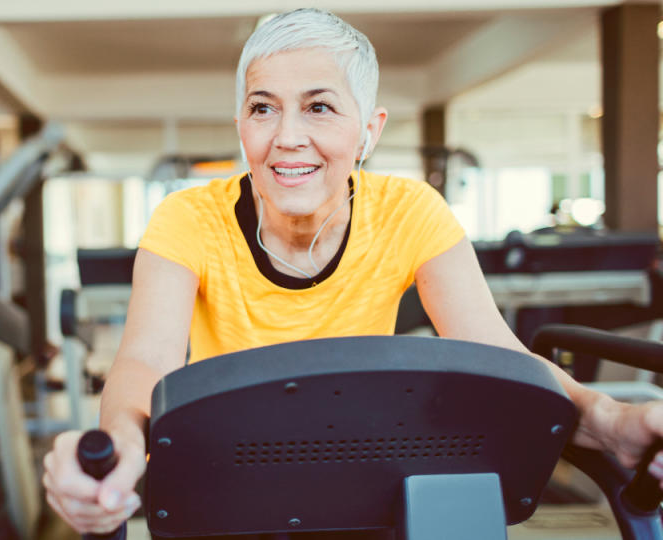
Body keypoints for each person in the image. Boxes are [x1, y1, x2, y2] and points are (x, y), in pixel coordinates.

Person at [42, 8, 663, 535]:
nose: (287, 136)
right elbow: (145, 363)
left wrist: (607, 420)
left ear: (369, 130)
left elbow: (496, 354)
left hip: (370, 484)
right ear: (241, 126)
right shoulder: (186, 219)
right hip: (230, 484)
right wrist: (121, 451)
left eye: (319, 108)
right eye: (263, 109)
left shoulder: (410, 210)